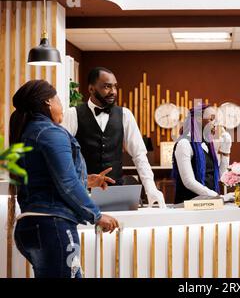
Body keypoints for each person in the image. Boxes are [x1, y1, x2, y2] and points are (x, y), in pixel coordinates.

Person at [10, 80, 119, 278]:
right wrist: (96, 215)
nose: (62, 106)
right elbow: (66, 183)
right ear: (48, 103)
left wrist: (86, 180)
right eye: (59, 99)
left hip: (29, 228)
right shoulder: (51, 132)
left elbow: (45, 179)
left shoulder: (26, 132)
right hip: (53, 227)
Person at [62, 67, 165, 208]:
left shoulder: (125, 115)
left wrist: (151, 189)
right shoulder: (73, 114)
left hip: (116, 194)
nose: (113, 92)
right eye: (107, 87)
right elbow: (61, 155)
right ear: (91, 89)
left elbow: (139, 155)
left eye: (115, 87)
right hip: (82, 194)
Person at [172, 104, 233, 203]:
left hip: (208, 204)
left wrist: (226, 151)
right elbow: (189, 182)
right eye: (212, 118)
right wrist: (218, 197)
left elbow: (218, 176)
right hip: (188, 207)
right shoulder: (184, 144)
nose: (215, 123)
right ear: (199, 119)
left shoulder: (207, 145)